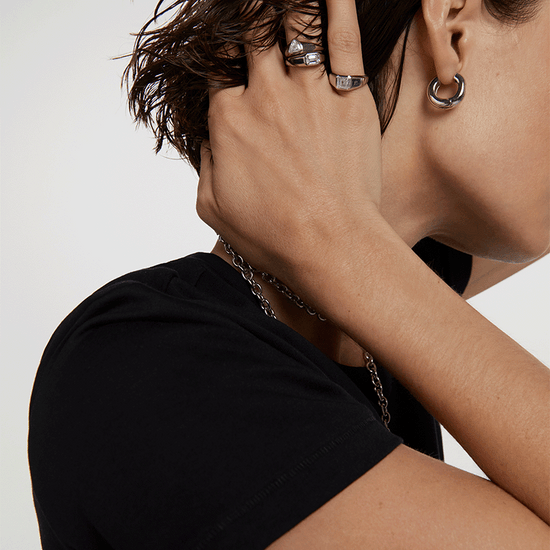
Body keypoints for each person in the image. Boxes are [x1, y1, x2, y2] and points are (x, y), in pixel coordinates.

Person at [28, 0, 549, 548]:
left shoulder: (390, 302)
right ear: (453, 30)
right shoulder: (148, 364)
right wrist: (344, 248)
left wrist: (345, 246)